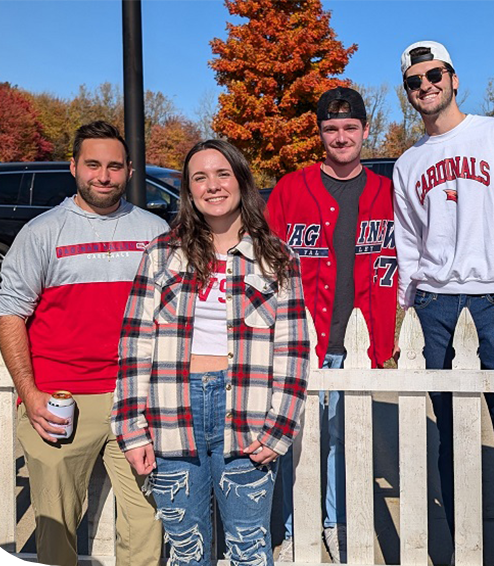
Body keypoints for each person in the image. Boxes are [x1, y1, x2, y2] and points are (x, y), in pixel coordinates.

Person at [392, 40, 494, 562]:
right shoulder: (408, 162)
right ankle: (464, 544)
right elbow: (409, 244)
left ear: (454, 77)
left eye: (434, 74)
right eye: (414, 81)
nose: (426, 86)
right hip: (435, 305)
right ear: (408, 94)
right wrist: (405, 313)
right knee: (450, 432)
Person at [112, 139, 309, 566]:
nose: (212, 185)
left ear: (241, 180)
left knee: (250, 551)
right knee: (187, 553)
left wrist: (280, 428)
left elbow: (292, 348)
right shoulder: (162, 256)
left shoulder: (276, 259)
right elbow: (135, 343)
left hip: (246, 415)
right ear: (188, 190)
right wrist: (131, 427)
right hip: (170, 415)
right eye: (199, 177)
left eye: (222, 174)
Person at [0, 120, 166, 566]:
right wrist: (30, 394)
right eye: (93, 164)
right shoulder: (41, 232)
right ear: (74, 167)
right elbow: (11, 314)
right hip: (61, 398)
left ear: (130, 170)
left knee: (148, 519)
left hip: (136, 397)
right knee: (56, 523)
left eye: (114, 166)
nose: (103, 176)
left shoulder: (155, 232)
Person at [266, 86, 397, 563]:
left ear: (365, 130)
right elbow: (265, 263)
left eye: (350, 128)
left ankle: (332, 524)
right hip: (299, 343)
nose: (341, 137)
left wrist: (389, 338)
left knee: (341, 442)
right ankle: (285, 530)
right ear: (319, 134)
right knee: (290, 438)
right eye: (330, 129)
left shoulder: (387, 191)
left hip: (356, 344)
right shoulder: (290, 188)